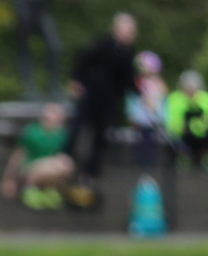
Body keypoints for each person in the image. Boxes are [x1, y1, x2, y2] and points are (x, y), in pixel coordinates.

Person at [65, 13, 137, 181]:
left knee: (101, 135)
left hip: (109, 101)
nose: (127, 34)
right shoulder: (103, 44)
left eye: (130, 31)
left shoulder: (128, 53)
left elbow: (128, 79)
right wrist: (76, 80)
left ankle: (91, 171)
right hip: (91, 95)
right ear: (115, 29)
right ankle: (66, 158)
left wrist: (140, 93)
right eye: (124, 30)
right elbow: (83, 59)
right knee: (77, 127)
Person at [0, 102, 74, 209]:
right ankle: (29, 189)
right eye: (53, 112)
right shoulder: (32, 131)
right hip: (30, 168)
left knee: (65, 164)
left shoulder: (62, 134)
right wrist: (9, 179)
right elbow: (18, 155)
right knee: (55, 165)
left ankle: (50, 191)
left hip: (52, 170)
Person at [13, 0, 62, 100]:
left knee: (54, 46)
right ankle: (28, 87)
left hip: (42, 10)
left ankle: (53, 85)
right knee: (24, 47)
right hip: (25, 7)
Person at [126, 51, 167, 168]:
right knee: (141, 140)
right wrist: (133, 115)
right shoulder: (137, 83)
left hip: (152, 118)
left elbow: (162, 101)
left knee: (150, 140)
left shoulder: (159, 84)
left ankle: (148, 160)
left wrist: (161, 116)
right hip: (141, 118)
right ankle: (141, 160)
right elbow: (133, 100)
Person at [166, 70, 208, 169]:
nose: (191, 90)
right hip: (182, 133)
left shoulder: (205, 98)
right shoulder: (174, 98)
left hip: (202, 134)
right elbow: (171, 120)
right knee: (179, 140)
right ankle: (184, 159)